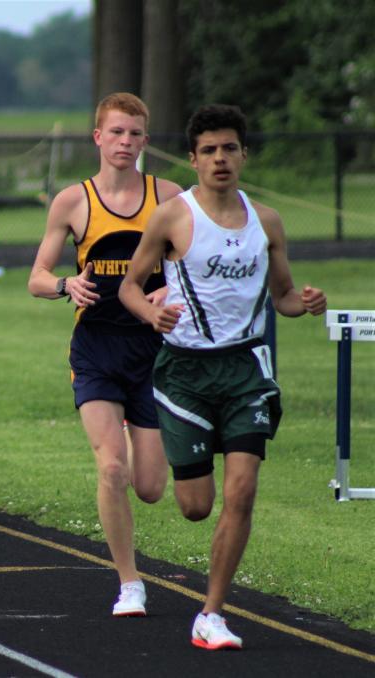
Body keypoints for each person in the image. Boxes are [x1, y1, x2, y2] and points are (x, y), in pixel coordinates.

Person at [119, 103, 326, 649]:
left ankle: (211, 615)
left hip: (246, 370)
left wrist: (302, 301)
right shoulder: (172, 217)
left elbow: (281, 295)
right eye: (208, 150)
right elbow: (129, 287)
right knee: (195, 507)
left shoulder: (268, 220)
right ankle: (171, 443)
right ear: (192, 159)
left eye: (229, 148)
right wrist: (151, 314)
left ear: (243, 155)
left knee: (243, 489)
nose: (220, 159)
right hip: (183, 372)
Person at [28, 92, 182, 616]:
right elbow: (36, 278)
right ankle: (129, 583)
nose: (125, 143)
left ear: (145, 139)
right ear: (98, 137)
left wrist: (172, 293)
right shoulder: (73, 201)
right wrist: (65, 286)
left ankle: (129, 437)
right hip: (95, 349)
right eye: (116, 132)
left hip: (154, 353)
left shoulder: (169, 196)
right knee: (112, 469)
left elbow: (194, 266)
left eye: (135, 134)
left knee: (151, 487)